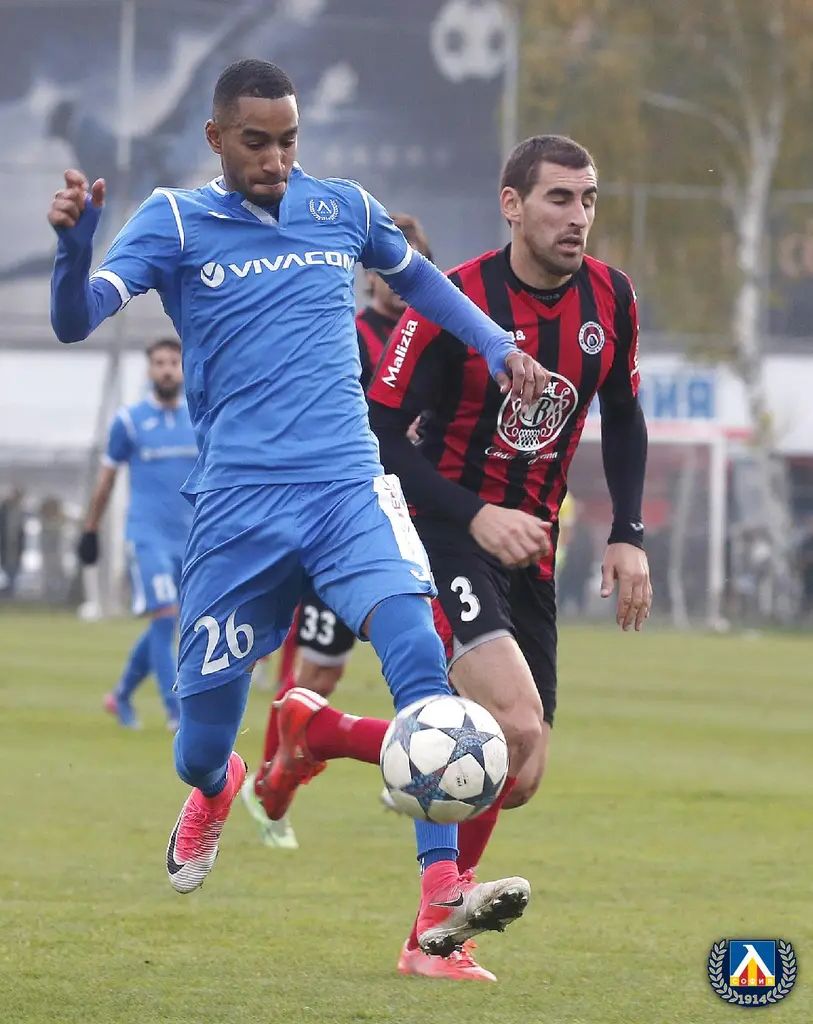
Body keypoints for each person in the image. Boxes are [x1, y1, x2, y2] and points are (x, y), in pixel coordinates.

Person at [48, 58, 552, 960]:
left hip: (347, 490)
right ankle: (218, 787)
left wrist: (494, 344)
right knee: (198, 744)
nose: (275, 160)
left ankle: (440, 893)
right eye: (255, 142)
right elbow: (74, 318)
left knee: (419, 658)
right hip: (237, 511)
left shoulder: (342, 206)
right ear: (216, 138)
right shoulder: (172, 220)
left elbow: (422, 282)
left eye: (287, 141)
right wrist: (71, 251)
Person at [260, 135, 653, 981]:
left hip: (527, 548)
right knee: (509, 725)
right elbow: (378, 432)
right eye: (558, 198)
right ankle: (438, 924)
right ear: (511, 205)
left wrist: (627, 532)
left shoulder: (611, 298)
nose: (577, 216)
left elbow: (623, 415)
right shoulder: (457, 301)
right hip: (443, 531)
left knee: (520, 769)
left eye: (587, 199)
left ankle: (320, 731)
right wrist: (475, 514)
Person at [241, 213, 434, 850]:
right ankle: (271, 783)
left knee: (432, 659)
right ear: (369, 273)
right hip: (349, 523)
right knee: (316, 675)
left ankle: (426, 767)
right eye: (387, 266)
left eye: (411, 265)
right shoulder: (347, 335)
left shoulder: (436, 336)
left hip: (417, 527)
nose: (397, 279)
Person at [77, 338, 197, 732]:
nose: (167, 369)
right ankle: (175, 712)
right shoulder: (129, 421)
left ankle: (121, 695)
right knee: (165, 619)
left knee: (170, 623)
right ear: (149, 370)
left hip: (191, 538)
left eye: (173, 362)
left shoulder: (200, 417)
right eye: (159, 362)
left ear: (183, 367)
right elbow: (107, 479)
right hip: (147, 537)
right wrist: (91, 529)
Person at [0, 488, 26, 598]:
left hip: (15, 547)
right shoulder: (5, 511)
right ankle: (8, 590)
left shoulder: (19, 512)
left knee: (13, 569)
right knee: (8, 568)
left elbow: (20, 532)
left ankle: (10, 590)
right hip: (7, 546)